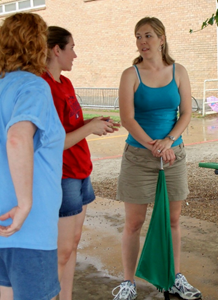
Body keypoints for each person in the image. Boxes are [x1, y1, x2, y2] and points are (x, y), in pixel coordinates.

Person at [112, 17, 202, 300]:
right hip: (139, 157)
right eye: (138, 36)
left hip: (173, 155)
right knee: (134, 223)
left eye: (148, 35)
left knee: (173, 220)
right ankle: (128, 283)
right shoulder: (130, 74)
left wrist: (168, 142)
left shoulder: (179, 71)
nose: (142, 42)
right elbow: (127, 119)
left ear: (162, 38)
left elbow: (186, 112)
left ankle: (174, 277)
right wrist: (154, 145)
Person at [42, 26, 119, 300]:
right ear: (56, 50)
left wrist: (94, 124)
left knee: (73, 245)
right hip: (63, 176)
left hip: (80, 171)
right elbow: (52, 142)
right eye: (71, 47)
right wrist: (88, 130)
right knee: (61, 250)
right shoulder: (43, 86)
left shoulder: (65, 83)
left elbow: (69, 125)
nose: (75, 54)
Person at [0, 13, 65, 300]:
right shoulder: (33, 86)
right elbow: (17, 137)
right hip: (28, 228)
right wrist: (25, 204)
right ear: (39, 47)